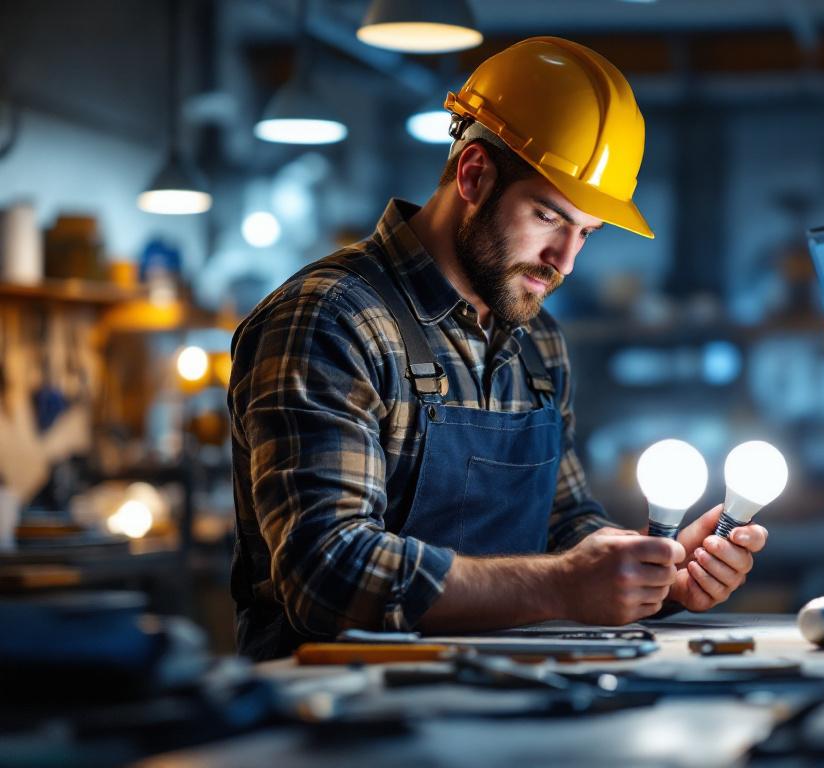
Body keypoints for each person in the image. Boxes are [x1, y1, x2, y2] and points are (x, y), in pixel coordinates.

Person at [228, 37, 769, 660]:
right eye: (548, 217)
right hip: (335, 726)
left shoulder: (537, 342)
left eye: (585, 234)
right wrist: (566, 585)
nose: (563, 261)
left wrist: (651, 574)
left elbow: (564, 527)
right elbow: (326, 575)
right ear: (474, 175)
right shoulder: (331, 320)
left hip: (498, 706)